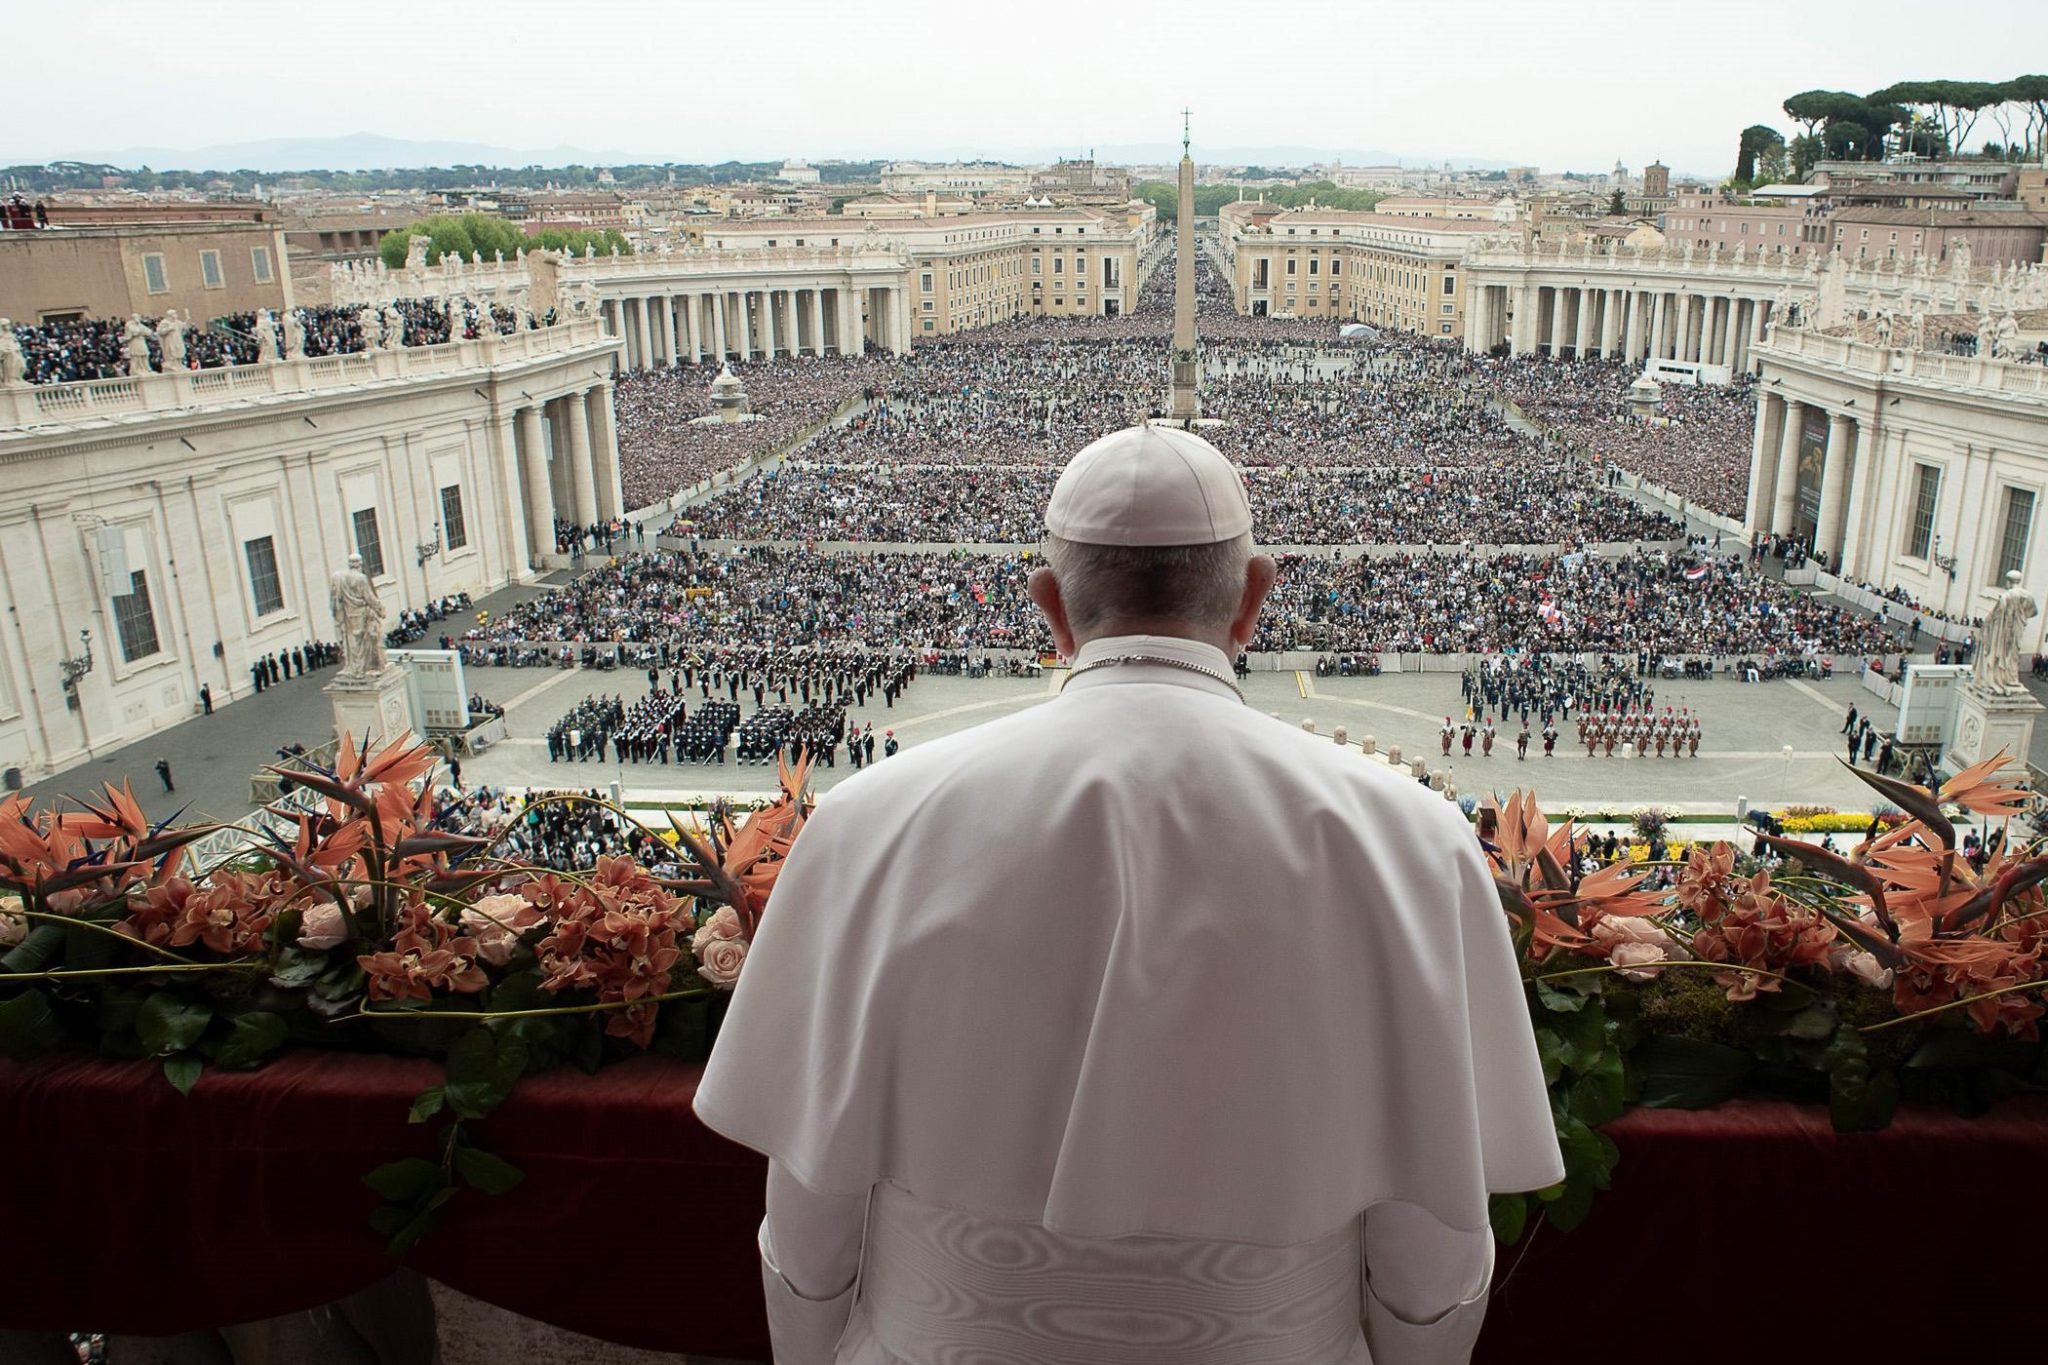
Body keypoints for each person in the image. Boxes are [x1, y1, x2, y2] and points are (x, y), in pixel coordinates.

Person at [695, 422, 1562, 1365]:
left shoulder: (867, 822)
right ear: (1254, 601)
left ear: (1049, 606)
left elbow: (811, 1212)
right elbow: (1431, 1242)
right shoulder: (1414, 840)